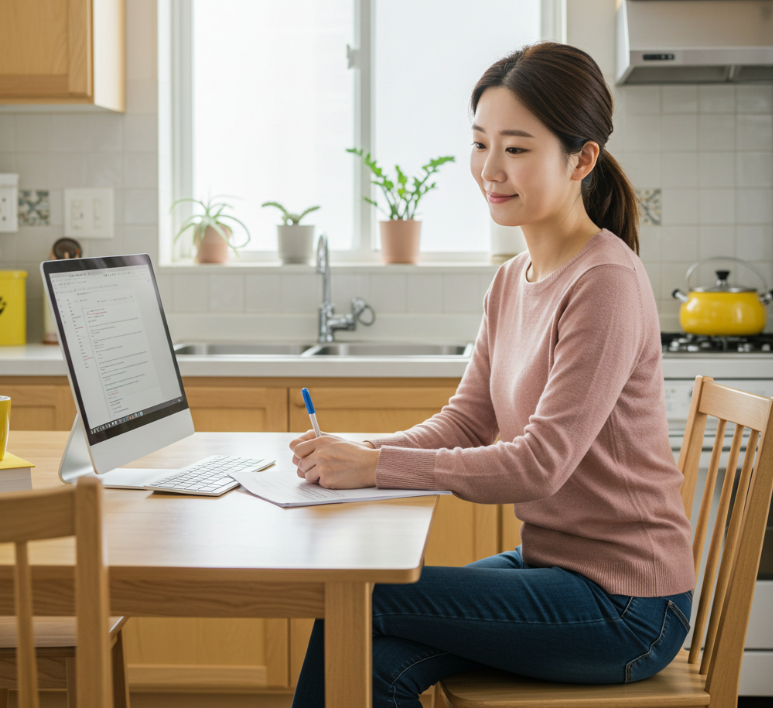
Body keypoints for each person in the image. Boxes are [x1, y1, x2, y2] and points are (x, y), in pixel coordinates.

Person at [289, 42, 695, 708]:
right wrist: (360, 450)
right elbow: (467, 420)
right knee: (370, 652)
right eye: (480, 144)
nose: (489, 169)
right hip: (552, 568)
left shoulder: (605, 282)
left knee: (360, 598)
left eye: (516, 148)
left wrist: (377, 467)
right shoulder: (512, 279)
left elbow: (538, 465)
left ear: (581, 160)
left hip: (626, 605)